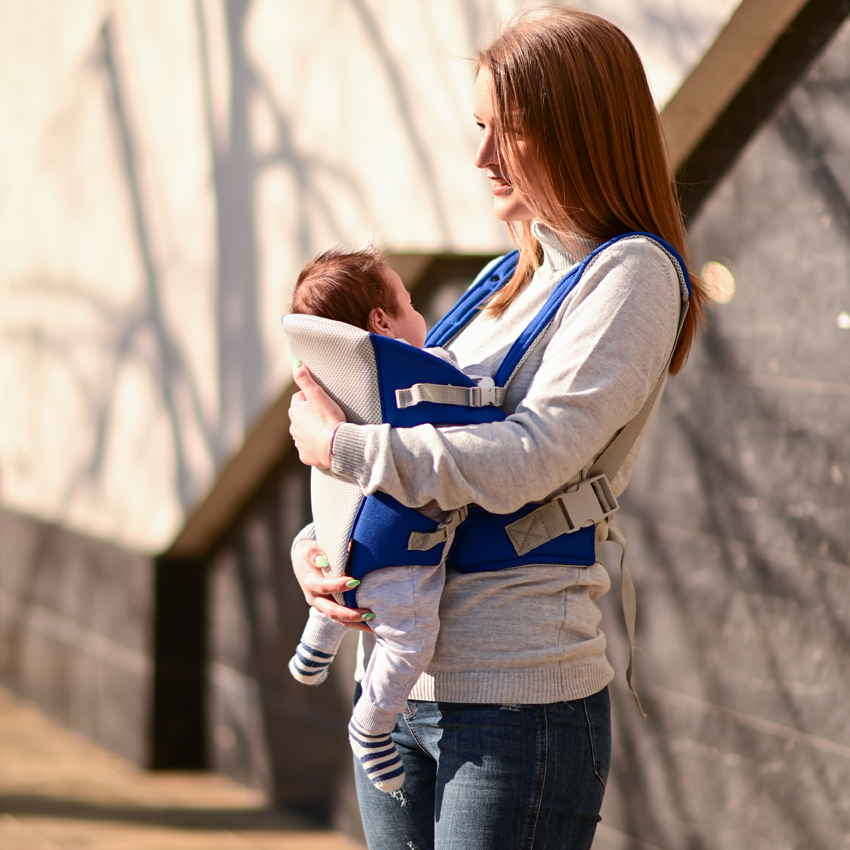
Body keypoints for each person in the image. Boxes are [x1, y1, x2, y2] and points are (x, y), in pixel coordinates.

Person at [287, 7, 707, 849]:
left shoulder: (632, 275)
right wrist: (318, 547)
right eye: (479, 127)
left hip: (518, 702)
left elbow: (531, 458)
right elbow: (408, 451)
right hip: (402, 693)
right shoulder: (497, 282)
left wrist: (344, 450)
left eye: (506, 132)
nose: (480, 157)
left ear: (578, 134)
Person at [286, 245, 478, 793]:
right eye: (411, 304)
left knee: (339, 576)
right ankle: (370, 726)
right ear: (380, 322)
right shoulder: (426, 378)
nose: (422, 317)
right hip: (401, 558)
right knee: (409, 642)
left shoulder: (338, 388)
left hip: (342, 538)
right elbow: (473, 420)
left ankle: (313, 651)